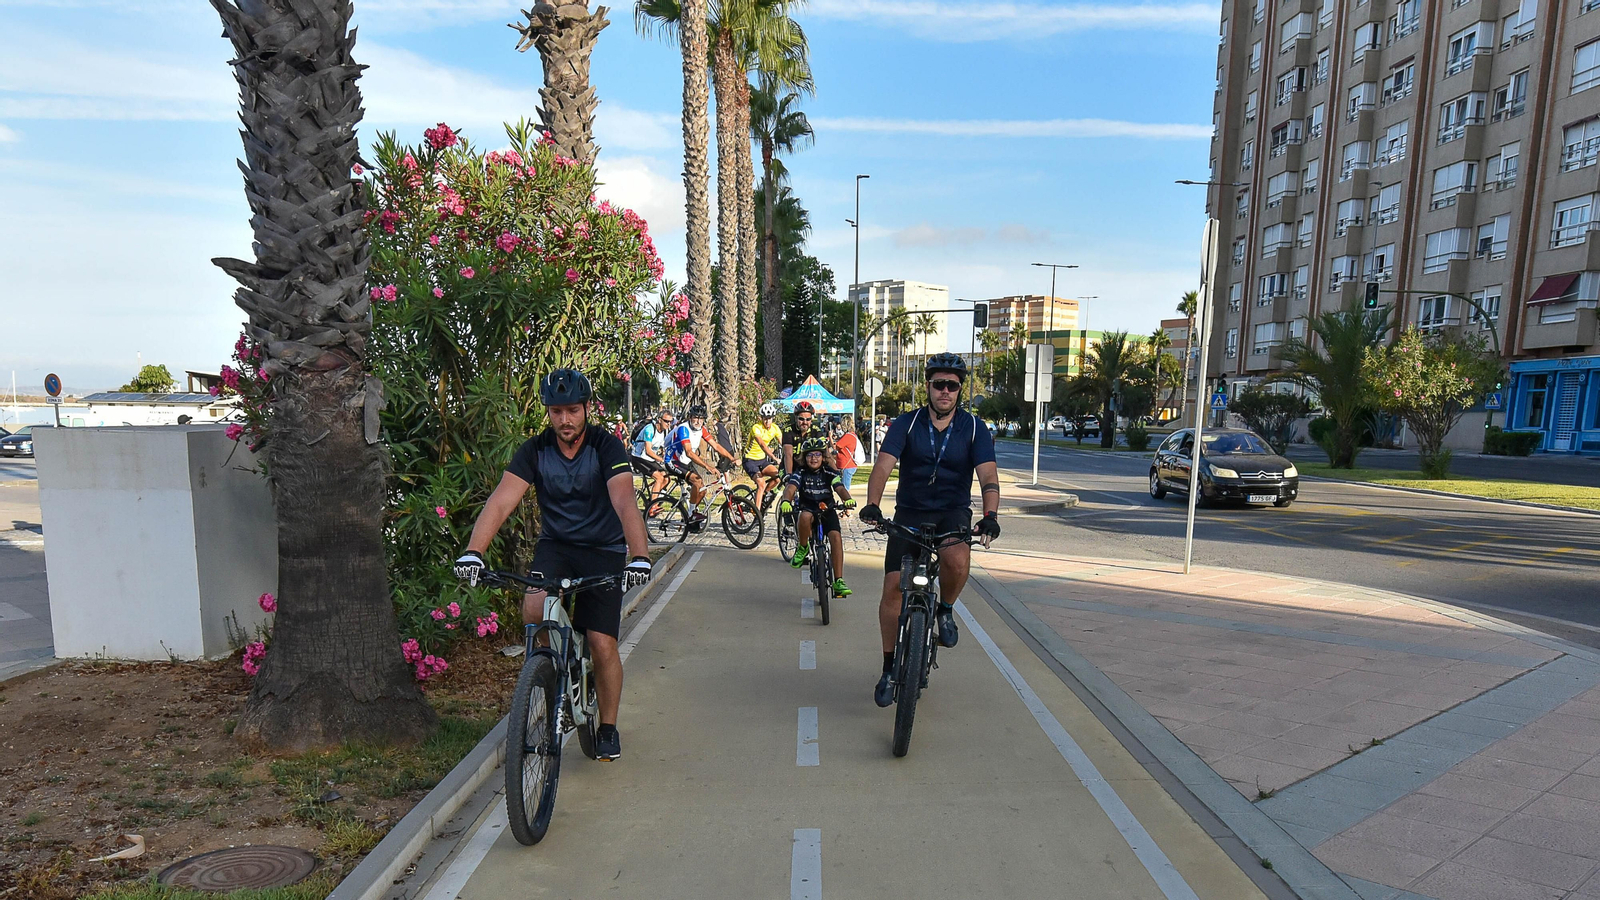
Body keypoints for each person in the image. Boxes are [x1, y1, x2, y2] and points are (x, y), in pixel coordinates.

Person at [453, 369, 652, 761]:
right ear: (549, 413)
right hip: (557, 547)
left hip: (603, 548)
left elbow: (625, 502)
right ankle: (551, 675)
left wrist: (640, 556)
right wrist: (474, 551)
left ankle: (608, 726)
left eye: (573, 411)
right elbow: (501, 501)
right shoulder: (535, 450)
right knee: (532, 606)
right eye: (557, 411)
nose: (565, 420)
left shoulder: (605, 446)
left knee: (601, 642)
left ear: (586, 409)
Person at [859, 353, 1001, 708]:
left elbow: (987, 476)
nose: (945, 392)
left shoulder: (973, 428)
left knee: (957, 559)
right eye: (939, 384)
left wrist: (991, 514)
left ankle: (946, 609)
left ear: (959, 390)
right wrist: (874, 504)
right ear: (928, 386)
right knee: (892, 587)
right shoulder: (906, 424)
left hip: (952, 513)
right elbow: (883, 466)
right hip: (909, 513)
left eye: (952, 386)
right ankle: (889, 667)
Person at [780, 436, 855, 596]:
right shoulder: (800, 472)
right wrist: (786, 500)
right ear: (804, 457)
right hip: (809, 508)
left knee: (835, 537)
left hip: (827, 509)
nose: (813, 458)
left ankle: (839, 580)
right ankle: (803, 547)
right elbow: (791, 487)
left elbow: (839, 487)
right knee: (804, 517)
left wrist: (847, 500)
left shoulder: (829, 471)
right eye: (809, 455)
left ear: (823, 456)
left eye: (817, 455)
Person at [667, 404, 736, 524]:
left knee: (702, 489)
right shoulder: (683, 429)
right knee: (697, 481)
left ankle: (691, 516)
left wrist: (732, 458)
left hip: (686, 462)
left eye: (701, 418)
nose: (698, 421)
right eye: (695, 418)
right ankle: (691, 514)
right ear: (690, 417)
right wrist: (708, 466)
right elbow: (689, 452)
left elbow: (715, 445)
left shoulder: (702, 429)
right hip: (673, 461)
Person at [743, 402, 784, 510]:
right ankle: (757, 514)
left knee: (778, 476)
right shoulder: (756, 427)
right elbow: (762, 444)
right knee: (761, 483)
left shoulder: (775, 428)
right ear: (761, 418)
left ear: (773, 418)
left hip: (762, 460)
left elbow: (784, 444)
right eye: (765, 418)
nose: (767, 421)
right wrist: (774, 458)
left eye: (769, 418)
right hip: (750, 460)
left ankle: (764, 496)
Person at [630, 409, 674, 499]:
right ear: (659, 420)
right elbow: (648, 451)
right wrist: (662, 460)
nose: (669, 424)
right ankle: (652, 506)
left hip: (649, 459)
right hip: (638, 457)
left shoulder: (665, 431)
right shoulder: (649, 429)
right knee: (659, 478)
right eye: (666, 421)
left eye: (671, 421)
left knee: (666, 478)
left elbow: (665, 447)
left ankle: (652, 499)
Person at [782, 401, 834, 474]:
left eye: (808, 419)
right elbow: (788, 455)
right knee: (791, 484)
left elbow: (826, 453)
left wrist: (836, 471)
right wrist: (789, 475)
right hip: (790, 467)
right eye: (801, 419)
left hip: (807, 468)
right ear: (796, 418)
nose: (805, 422)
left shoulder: (816, 430)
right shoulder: (788, 431)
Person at [835, 415, 860, 489]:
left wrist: (830, 437)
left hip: (847, 465)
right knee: (843, 488)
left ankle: (847, 501)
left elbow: (836, 446)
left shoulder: (848, 436)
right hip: (846, 465)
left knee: (845, 490)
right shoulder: (850, 435)